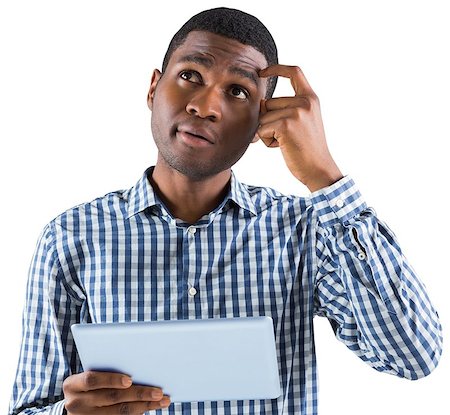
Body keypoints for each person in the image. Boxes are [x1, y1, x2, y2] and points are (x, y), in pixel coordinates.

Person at [9, 6, 442, 415]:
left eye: (237, 91)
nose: (205, 106)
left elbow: (413, 355)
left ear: (262, 120)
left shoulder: (305, 232)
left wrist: (325, 178)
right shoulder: (72, 236)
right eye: (190, 75)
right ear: (153, 88)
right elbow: (29, 405)